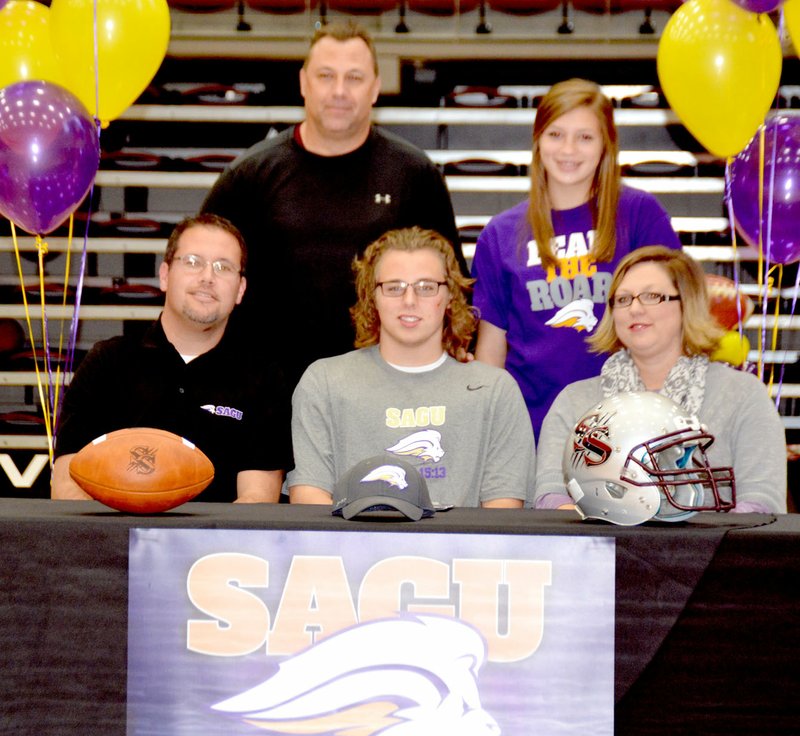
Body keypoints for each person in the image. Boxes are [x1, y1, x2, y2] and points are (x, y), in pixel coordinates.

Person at [200, 21, 465, 392]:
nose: (339, 91)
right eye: (326, 76)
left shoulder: (414, 175)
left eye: (354, 78)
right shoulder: (249, 176)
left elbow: (452, 291)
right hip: (267, 392)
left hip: (386, 389)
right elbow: (203, 279)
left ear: (375, 87)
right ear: (304, 82)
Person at [472, 78, 681, 442]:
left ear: (605, 145)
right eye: (556, 134)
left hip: (628, 430)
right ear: (538, 140)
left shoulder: (640, 215)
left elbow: (674, 322)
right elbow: (490, 352)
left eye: (585, 137)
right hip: (532, 433)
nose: (568, 149)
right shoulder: (500, 234)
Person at [51, 214, 293, 503]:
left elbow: (257, 501)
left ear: (240, 290)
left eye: (223, 267)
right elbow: (68, 488)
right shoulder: (107, 363)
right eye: (192, 262)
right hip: (116, 546)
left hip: (215, 547)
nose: (207, 277)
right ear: (164, 275)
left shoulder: (263, 377)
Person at [287, 227, 534, 509]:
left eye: (426, 287)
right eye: (394, 287)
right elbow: (309, 498)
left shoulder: (494, 390)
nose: (409, 301)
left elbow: (503, 512)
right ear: (372, 295)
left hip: (462, 551)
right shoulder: (325, 382)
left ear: (450, 295)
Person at [534, 245, 787, 514]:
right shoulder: (575, 401)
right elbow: (550, 495)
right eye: (623, 299)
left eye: (652, 296)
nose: (635, 308)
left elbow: (762, 500)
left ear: (687, 303)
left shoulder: (743, 395)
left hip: (713, 554)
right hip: (601, 553)